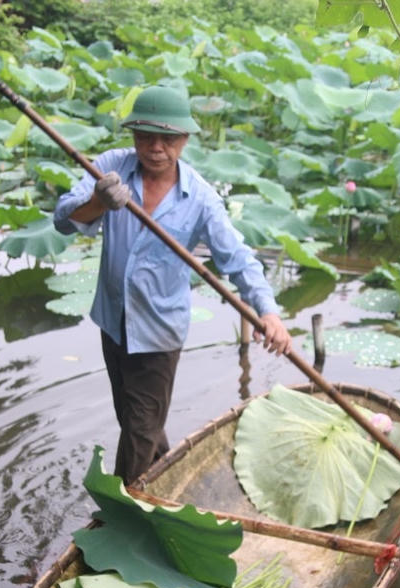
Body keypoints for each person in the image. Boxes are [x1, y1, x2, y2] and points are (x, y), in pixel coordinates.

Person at [54, 85, 292, 484]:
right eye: (145, 136)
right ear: (133, 135)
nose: (156, 148)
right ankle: (167, 478)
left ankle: (122, 505)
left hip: (158, 332)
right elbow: (63, 219)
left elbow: (238, 258)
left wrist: (268, 312)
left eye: (168, 139)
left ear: (185, 139)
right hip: (114, 321)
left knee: (139, 428)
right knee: (135, 419)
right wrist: (99, 202)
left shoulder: (200, 199)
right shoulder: (111, 168)